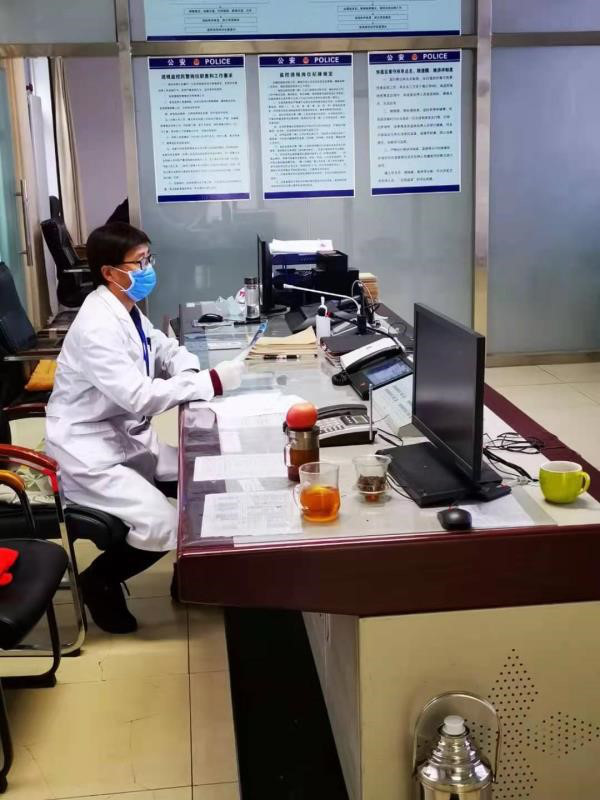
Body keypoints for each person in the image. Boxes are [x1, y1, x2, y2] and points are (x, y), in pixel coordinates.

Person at [46, 222, 244, 634]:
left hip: (125, 437)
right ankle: (99, 581)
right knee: (162, 523)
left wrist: (187, 370)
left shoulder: (125, 308)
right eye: (139, 262)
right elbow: (139, 397)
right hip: (89, 453)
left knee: (206, 478)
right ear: (109, 272)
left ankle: (191, 578)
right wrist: (210, 382)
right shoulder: (96, 327)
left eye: (149, 258)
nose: (148, 268)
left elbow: (162, 346)